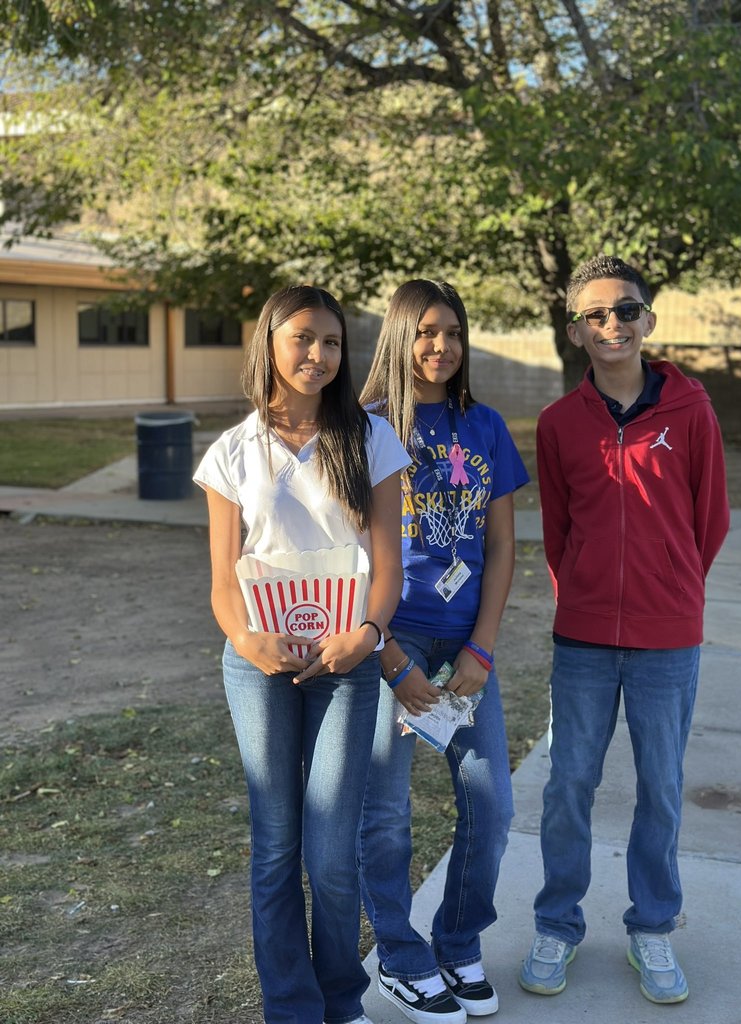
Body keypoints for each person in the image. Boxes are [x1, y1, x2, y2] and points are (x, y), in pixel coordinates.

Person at [193, 285, 409, 1024]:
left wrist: (369, 635)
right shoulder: (231, 453)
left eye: (331, 342)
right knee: (277, 847)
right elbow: (224, 585)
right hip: (261, 670)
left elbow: (388, 569)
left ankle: (342, 1001)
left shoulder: (371, 440)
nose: (317, 355)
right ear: (270, 345)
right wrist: (253, 643)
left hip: (345, 667)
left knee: (330, 853)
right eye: (302, 339)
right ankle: (291, 1007)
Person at [519, 255, 730, 1005]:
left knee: (662, 787)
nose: (614, 324)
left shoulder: (691, 411)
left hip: (667, 637)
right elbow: (558, 529)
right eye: (597, 314)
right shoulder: (556, 425)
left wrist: (671, 590)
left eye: (627, 310)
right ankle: (556, 922)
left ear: (649, 319)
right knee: (568, 783)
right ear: (576, 330)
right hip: (582, 640)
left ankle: (653, 927)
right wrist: (580, 590)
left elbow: (711, 520)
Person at [357, 279, 530, 1023]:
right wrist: (390, 656)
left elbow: (500, 545)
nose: (442, 346)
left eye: (453, 332)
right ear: (400, 336)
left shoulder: (484, 425)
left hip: (464, 645)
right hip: (388, 640)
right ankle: (399, 955)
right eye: (426, 331)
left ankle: (458, 941)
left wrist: (483, 648)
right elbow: (345, 553)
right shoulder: (362, 427)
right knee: (384, 811)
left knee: (491, 802)